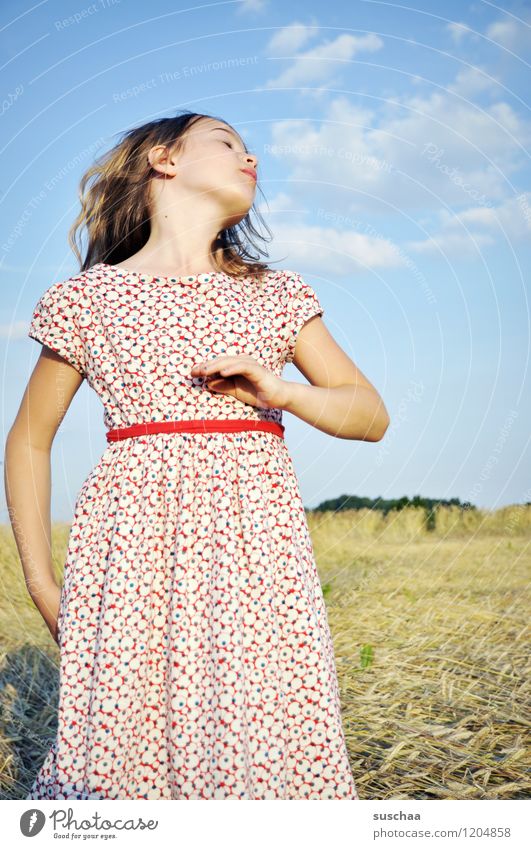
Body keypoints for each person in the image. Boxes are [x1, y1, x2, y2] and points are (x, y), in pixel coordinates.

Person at [5, 110, 390, 800]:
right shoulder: (86, 299)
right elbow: (29, 438)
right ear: (163, 159)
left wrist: (280, 390)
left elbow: (369, 415)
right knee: (118, 756)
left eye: (250, 149)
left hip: (257, 568)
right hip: (129, 565)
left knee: (266, 743)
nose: (251, 157)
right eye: (227, 142)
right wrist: (42, 584)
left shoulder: (276, 294)